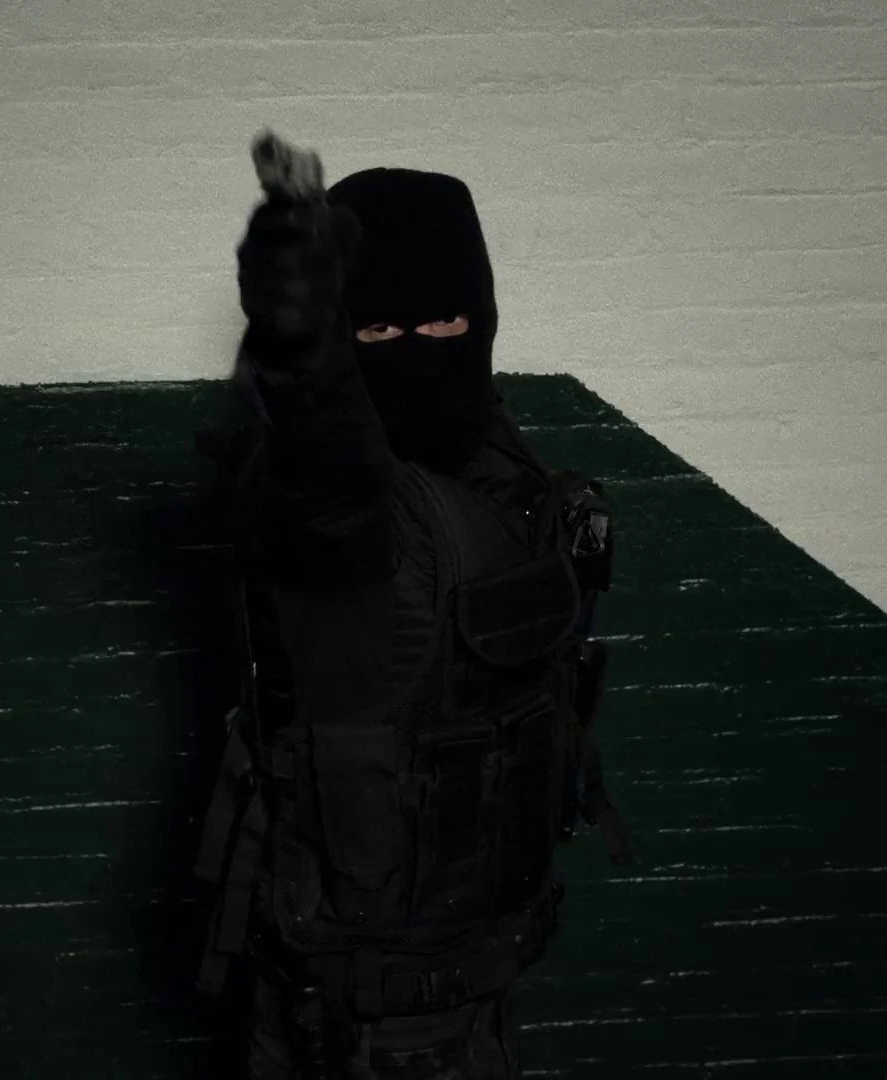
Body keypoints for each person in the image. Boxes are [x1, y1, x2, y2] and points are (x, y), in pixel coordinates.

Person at [192, 153, 635, 1079]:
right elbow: (326, 471)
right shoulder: (350, 514)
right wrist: (298, 347)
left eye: (444, 323)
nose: (420, 348)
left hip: (475, 980)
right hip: (366, 1025)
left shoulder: (497, 461)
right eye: (379, 329)